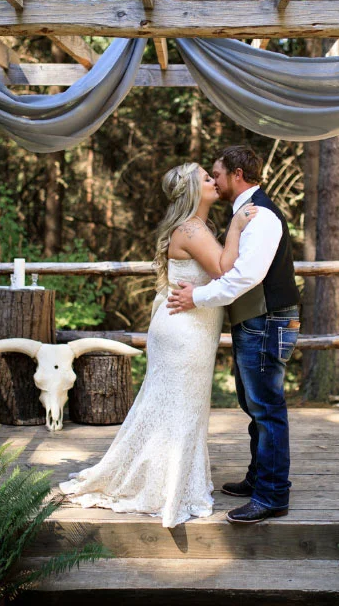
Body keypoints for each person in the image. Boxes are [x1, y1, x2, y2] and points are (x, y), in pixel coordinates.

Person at [59, 161, 258, 528]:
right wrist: (238, 225)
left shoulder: (199, 226)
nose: (215, 181)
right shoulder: (191, 228)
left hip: (192, 329)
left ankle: (169, 477)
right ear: (193, 190)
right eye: (206, 178)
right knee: (179, 407)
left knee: (184, 407)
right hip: (183, 333)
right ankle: (162, 485)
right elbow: (223, 268)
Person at [167, 145, 300, 524]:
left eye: (218, 173)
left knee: (267, 409)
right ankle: (259, 478)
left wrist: (198, 298)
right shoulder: (246, 213)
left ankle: (272, 495)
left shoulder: (261, 216)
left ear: (237, 175)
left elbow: (245, 276)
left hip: (267, 321)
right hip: (256, 321)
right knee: (254, 405)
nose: (215, 180)